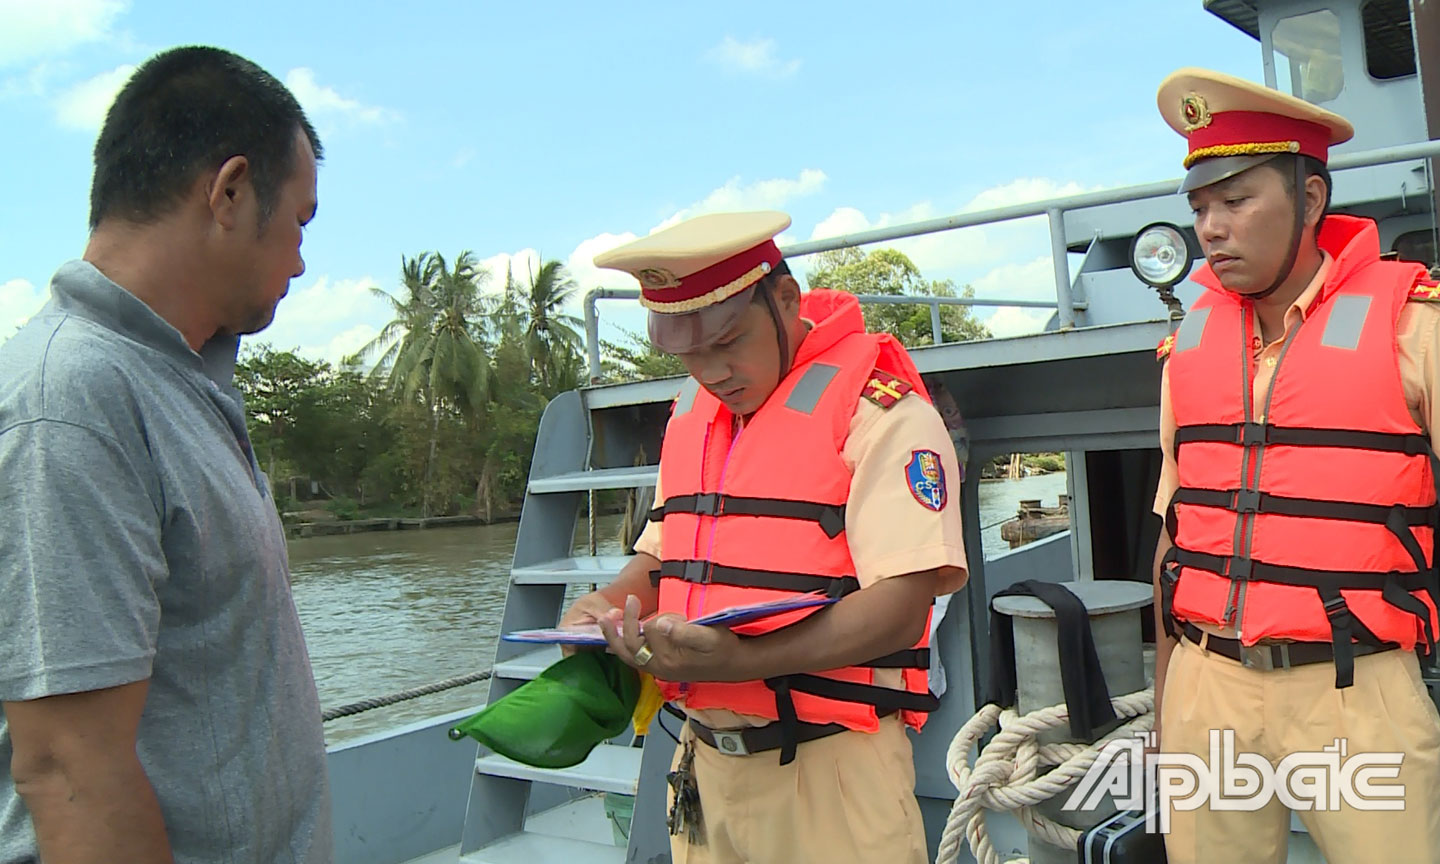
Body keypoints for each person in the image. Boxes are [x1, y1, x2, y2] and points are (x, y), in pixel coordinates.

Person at [0, 47, 332, 863]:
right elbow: (72, 769)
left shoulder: (181, 381)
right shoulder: (71, 401)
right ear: (229, 192)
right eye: (298, 221)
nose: (300, 258)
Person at [559, 210, 969, 864]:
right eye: (689, 353)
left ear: (784, 301)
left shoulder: (882, 411)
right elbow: (659, 559)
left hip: (832, 776)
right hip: (703, 769)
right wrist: (604, 607)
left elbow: (902, 607)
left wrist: (739, 661)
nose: (711, 372)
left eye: (727, 342)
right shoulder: (693, 418)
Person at [1149, 67, 1440, 863]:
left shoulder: (1413, 328)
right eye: (1201, 207)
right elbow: (1179, 535)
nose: (1212, 228)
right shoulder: (1187, 349)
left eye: (1237, 200)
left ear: (1310, 200)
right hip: (1206, 687)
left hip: (1356, 691)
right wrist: (1166, 706)